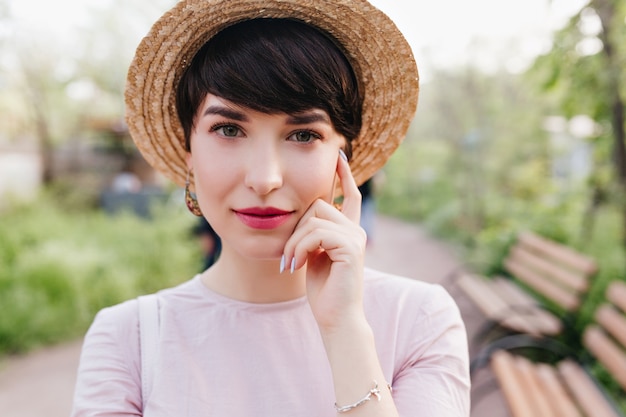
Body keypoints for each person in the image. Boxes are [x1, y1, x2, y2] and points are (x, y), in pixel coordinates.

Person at [71, 0, 470, 416]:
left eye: (302, 135)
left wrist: (344, 329)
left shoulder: (419, 320)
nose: (264, 179)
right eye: (228, 129)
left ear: (343, 161)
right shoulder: (129, 340)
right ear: (189, 152)